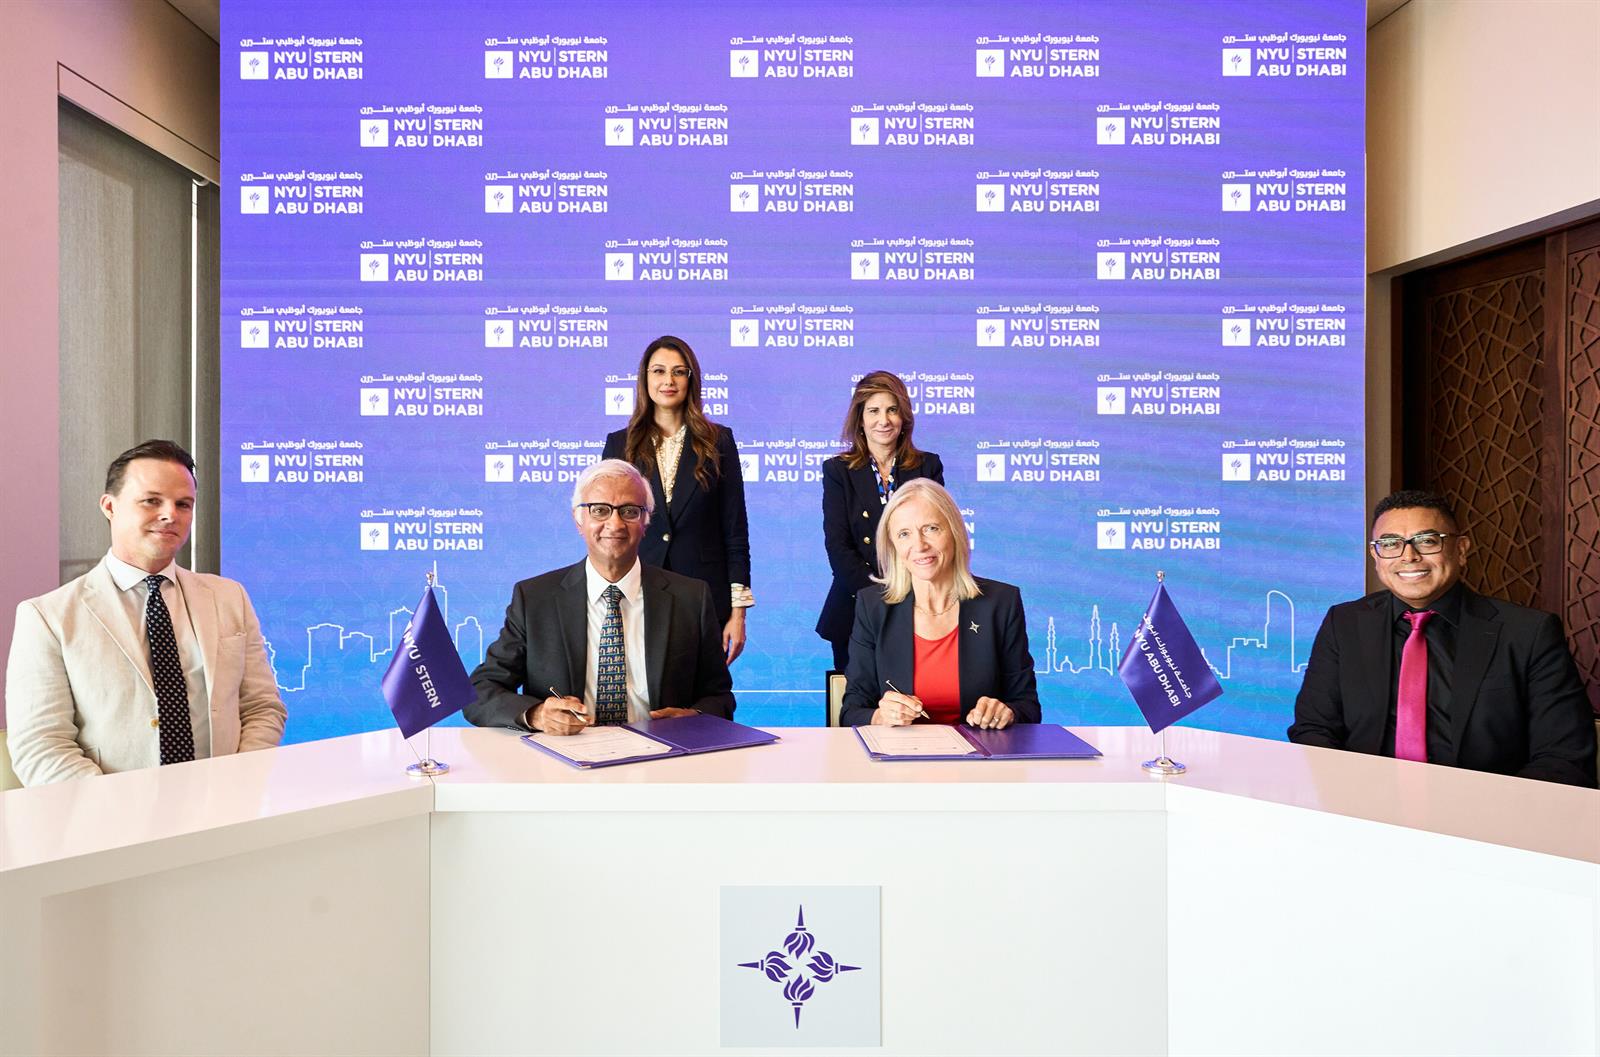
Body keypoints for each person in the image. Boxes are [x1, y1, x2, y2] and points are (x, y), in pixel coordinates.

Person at [6, 440, 286, 785]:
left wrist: (238, 783)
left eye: (183, 504)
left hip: (224, 805)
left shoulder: (229, 597)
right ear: (110, 506)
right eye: (152, 501)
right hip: (109, 813)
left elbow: (262, 708)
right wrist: (120, 809)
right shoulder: (48, 617)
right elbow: (41, 745)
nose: (170, 514)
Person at [1290, 489, 1597, 787]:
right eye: (1390, 543)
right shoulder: (1344, 623)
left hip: (1487, 813)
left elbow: (1564, 757)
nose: (1409, 556)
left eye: (1427, 541)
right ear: (1376, 555)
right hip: (1363, 807)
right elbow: (1314, 729)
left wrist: (1484, 815)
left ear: (1461, 550)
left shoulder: (1528, 633)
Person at [466, 459, 735, 734]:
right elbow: (479, 690)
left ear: (646, 521)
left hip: (664, 751)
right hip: (565, 754)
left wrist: (694, 718)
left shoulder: (691, 598)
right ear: (578, 519)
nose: (615, 524)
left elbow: (720, 697)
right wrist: (536, 715)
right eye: (600, 510)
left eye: (629, 511)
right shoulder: (534, 599)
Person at [840, 479, 1040, 729]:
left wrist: (1007, 712)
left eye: (931, 529)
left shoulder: (1001, 603)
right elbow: (851, 712)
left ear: (954, 532)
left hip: (980, 752)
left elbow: (1028, 707)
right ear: (893, 546)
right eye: (904, 534)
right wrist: (881, 716)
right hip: (901, 752)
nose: (919, 545)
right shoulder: (872, 607)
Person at [602, 335, 752, 664]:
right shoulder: (619, 445)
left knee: (702, 693)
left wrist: (738, 613)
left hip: (705, 599)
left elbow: (735, 532)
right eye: (659, 371)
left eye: (678, 371)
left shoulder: (719, 441)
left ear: (691, 379)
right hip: (635, 594)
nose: (668, 380)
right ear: (645, 379)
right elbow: (607, 534)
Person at [816, 370, 944, 671]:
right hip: (856, 607)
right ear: (860, 419)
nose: (883, 420)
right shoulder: (838, 471)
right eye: (873, 411)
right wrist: (882, 597)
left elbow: (937, 536)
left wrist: (909, 598)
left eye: (892, 410)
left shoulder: (927, 465)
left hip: (921, 608)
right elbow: (838, 546)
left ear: (904, 417)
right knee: (858, 697)